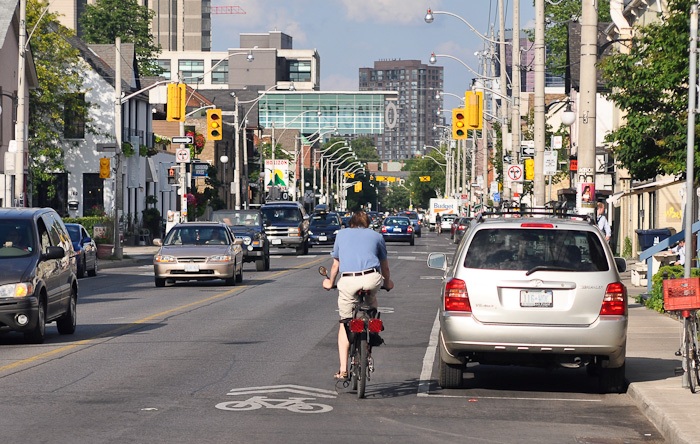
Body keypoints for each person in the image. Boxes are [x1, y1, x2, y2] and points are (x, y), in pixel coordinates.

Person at [322, 210, 394, 380]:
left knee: (344, 323)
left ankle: (343, 369)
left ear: (351, 223)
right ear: (368, 223)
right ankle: (374, 330)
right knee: (372, 304)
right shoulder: (376, 236)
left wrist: (330, 282)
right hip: (371, 278)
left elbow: (335, 265)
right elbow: (385, 266)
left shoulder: (342, 235)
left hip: (349, 281)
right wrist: (387, 283)